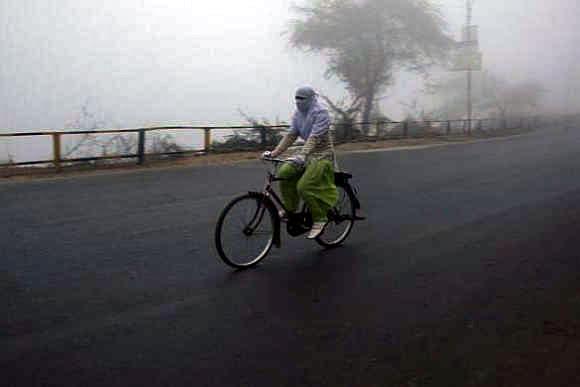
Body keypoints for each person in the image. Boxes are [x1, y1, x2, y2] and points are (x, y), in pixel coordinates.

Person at [262, 86, 338, 239]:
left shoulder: (321, 112)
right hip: (305, 154)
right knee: (284, 173)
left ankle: (320, 218)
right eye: (296, 98)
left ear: (311, 98)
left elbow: (314, 138)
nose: (298, 101)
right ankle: (290, 208)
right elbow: (291, 135)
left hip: (322, 155)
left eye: (302, 98)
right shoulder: (298, 114)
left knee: (304, 186)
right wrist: (274, 153)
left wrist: (303, 155)